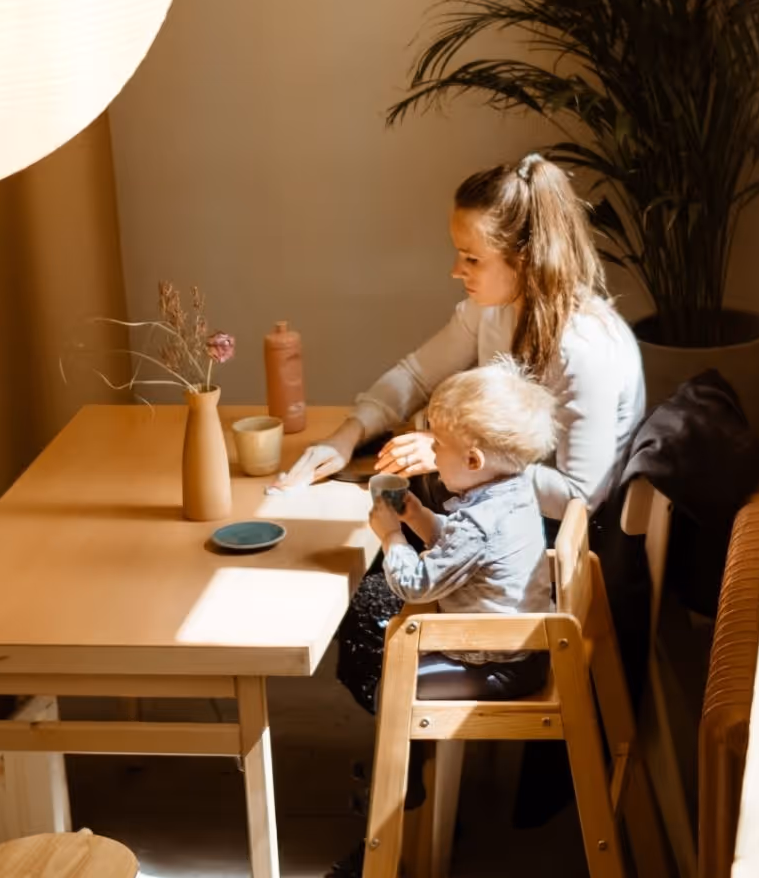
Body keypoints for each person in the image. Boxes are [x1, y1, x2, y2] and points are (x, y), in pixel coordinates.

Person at [275, 152, 646, 711]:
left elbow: (580, 495)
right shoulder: (496, 311)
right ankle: (419, 765)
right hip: (502, 510)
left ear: (526, 260)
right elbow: (417, 374)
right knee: (372, 552)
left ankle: (413, 760)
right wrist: (347, 435)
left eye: (471, 257)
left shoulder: (582, 350)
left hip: (553, 541)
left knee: (371, 608)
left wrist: (461, 455)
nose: (456, 270)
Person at [371, 359, 557, 701]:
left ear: (473, 461)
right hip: (525, 650)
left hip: (495, 665)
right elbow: (465, 549)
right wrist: (419, 517)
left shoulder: (478, 525)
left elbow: (415, 586)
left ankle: (411, 752)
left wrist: (391, 537)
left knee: (391, 688)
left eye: (437, 446)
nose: (434, 455)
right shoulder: (514, 490)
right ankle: (431, 753)